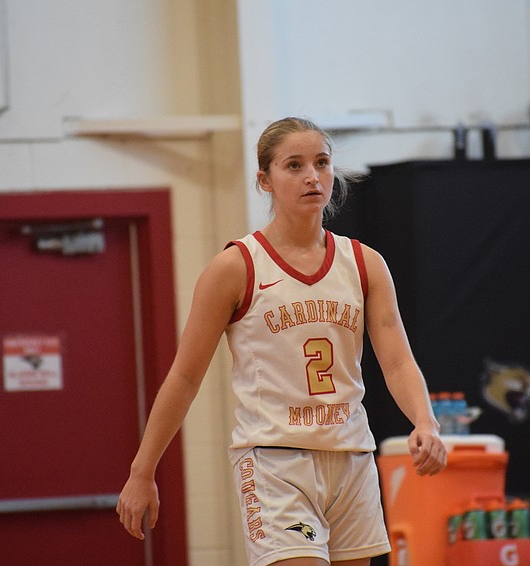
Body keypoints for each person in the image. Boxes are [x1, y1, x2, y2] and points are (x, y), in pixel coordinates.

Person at [117, 116, 447, 566]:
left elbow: (398, 361)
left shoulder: (364, 263)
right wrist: (143, 469)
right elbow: (185, 375)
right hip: (275, 460)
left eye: (322, 163)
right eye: (294, 165)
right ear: (264, 179)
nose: (312, 176)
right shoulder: (235, 267)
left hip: (351, 454)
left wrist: (425, 422)